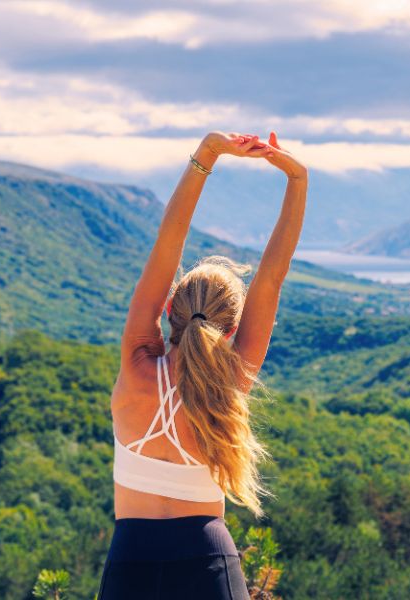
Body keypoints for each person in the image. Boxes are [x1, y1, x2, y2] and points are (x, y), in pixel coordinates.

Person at [97, 131, 307, 599]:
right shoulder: (231, 382)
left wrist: (208, 152)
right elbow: (272, 274)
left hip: (131, 557)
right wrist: (297, 177)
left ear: (169, 304)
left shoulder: (136, 365)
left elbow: (169, 240)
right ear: (230, 330)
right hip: (209, 557)